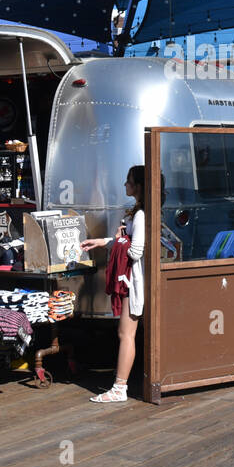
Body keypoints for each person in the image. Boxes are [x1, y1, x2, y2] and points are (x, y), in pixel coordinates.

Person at [80, 166, 159, 403]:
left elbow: (135, 250)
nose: (125, 185)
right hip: (133, 280)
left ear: (138, 187)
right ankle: (121, 386)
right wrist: (104, 241)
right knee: (127, 333)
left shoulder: (142, 214)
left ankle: (120, 388)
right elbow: (127, 243)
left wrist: (120, 240)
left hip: (134, 281)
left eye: (129, 181)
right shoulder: (140, 212)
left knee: (126, 333)